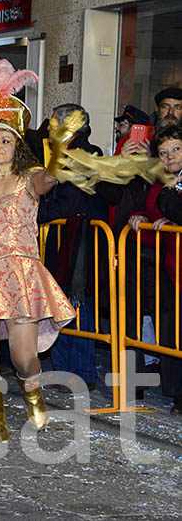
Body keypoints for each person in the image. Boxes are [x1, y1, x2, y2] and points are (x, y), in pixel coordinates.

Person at [0, 58, 76, 448]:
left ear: (17, 145)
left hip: (21, 275)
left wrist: (59, 144)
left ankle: (33, 392)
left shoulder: (28, 181)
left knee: (23, 358)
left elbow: (52, 176)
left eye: (6, 140)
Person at [35, 104, 107, 390]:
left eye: (54, 123)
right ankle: (64, 368)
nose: (49, 128)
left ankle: (81, 371)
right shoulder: (60, 156)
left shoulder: (83, 156)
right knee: (60, 303)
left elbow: (70, 203)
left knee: (77, 303)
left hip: (80, 243)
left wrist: (35, 214)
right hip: (64, 240)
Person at [128, 124, 182, 413]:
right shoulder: (160, 184)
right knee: (172, 331)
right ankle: (176, 392)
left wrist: (175, 224)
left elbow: (174, 216)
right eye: (163, 152)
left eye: (176, 149)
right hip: (171, 269)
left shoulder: (171, 187)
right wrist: (140, 220)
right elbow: (155, 224)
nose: (170, 157)